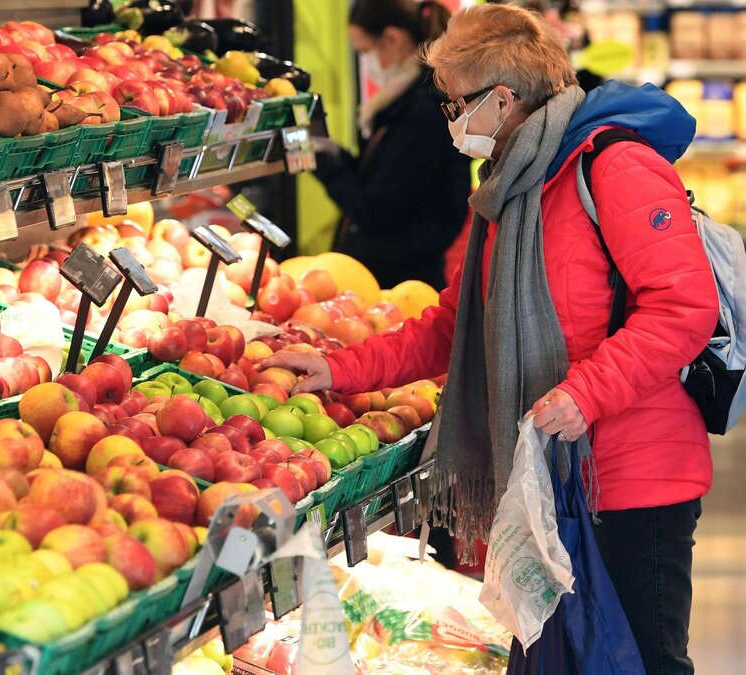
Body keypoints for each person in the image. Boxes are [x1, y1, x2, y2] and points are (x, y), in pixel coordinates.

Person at [262, 5, 718, 674]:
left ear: (502, 99)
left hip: (631, 479)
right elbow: (454, 324)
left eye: (455, 104)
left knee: (638, 662)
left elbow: (683, 305)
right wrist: (340, 369)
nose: (451, 121)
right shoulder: (513, 184)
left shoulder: (613, 167)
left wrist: (585, 394)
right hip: (547, 479)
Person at [313, 0, 470, 290]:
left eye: (364, 51)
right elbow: (383, 179)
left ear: (392, 39)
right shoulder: (405, 101)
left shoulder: (422, 111)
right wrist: (336, 156)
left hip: (401, 278)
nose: (366, 62)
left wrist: (325, 163)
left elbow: (378, 207)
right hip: (395, 269)